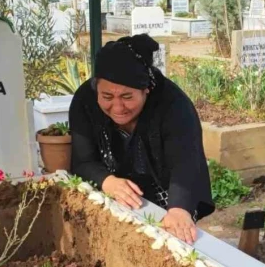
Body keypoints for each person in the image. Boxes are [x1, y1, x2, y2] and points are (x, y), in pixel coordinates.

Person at [70, 34, 214, 244]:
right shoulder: (85, 101)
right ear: (96, 88)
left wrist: (179, 209)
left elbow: (185, 163)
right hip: (117, 186)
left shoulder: (175, 106)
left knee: (171, 240)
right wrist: (106, 181)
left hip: (166, 189)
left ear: (146, 89)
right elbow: (82, 160)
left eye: (127, 97)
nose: (117, 108)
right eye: (107, 97)